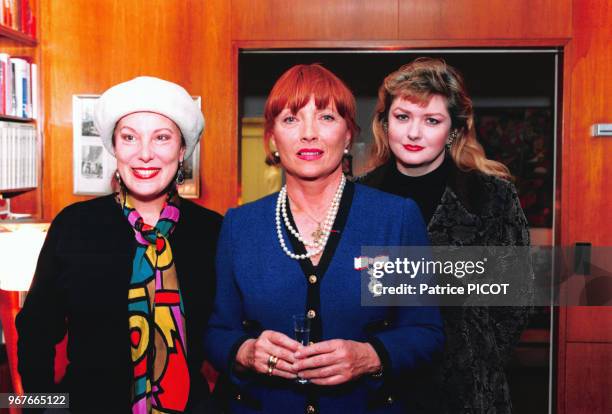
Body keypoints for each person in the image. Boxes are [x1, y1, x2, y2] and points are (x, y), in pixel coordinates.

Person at [204, 64, 444, 414]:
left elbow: (426, 332)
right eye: (291, 119)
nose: (308, 133)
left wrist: (370, 356)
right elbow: (217, 331)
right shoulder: (240, 225)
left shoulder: (395, 218)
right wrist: (245, 352)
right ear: (272, 137)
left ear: (348, 135)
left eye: (326, 118)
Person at [16, 77, 222, 413]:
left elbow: (231, 336)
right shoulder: (74, 226)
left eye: (162, 138)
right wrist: (41, 408)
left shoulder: (213, 232)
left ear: (183, 149)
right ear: (114, 147)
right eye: (129, 137)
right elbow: (36, 329)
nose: (144, 153)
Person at [358, 57, 531, 414]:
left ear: (453, 130)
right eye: (402, 117)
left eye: (432, 120)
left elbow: (517, 300)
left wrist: (474, 358)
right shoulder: (357, 197)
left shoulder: (492, 196)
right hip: (376, 386)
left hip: (466, 392)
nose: (414, 133)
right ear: (384, 123)